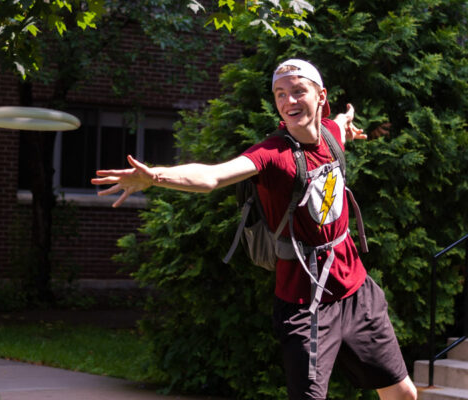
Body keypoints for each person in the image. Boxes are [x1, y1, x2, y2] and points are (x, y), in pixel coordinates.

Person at [91, 59, 417, 400]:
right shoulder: (271, 154)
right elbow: (212, 177)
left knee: (402, 393)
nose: (289, 101)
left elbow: (337, 121)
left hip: (356, 292)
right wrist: (155, 176)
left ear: (321, 96)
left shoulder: (331, 136)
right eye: (280, 94)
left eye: (298, 92)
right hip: (305, 305)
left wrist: (347, 123)